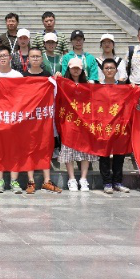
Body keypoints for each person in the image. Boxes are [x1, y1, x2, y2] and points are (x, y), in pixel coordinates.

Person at [23, 48, 61, 194]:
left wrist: (57, 78)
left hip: (44, 118)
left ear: (41, 59)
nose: (35, 59)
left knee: (45, 148)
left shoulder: (47, 76)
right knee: (29, 149)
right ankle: (30, 181)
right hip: (28, 119)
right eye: (32, 56)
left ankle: (47, 181)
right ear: (28, 59)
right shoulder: (23, 76)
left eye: (38, 56)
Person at [0, 46, 24, 194]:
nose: (3, 58)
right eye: (0, 56)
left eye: (5, 55)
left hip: (13, 119)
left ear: (10, 57)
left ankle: (14, 181)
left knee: (15, 150)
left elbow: (23, 96)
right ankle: (0, 181)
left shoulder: (17, 76)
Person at [61, 58, 97, 192]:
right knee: (68, 149)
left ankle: (83, 179)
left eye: (78, 68)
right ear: (69, 69)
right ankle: (71, 179)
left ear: (82, 70)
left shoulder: (88, 85)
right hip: (69, 120)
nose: (75, 70)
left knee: (85, 149)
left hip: (84, 121)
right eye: (73, 68)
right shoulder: (63, 84)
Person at [98, 58, 130, 194]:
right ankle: (106, 183)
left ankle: (117, 182)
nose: (109, 70)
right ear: (102, 70)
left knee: (119, 154)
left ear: (116, 70)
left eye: (112, 68)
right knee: (104, 154)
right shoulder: (97, 86)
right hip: (103, 125)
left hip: (119, 124)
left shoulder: (123, 86)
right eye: (106, 68)